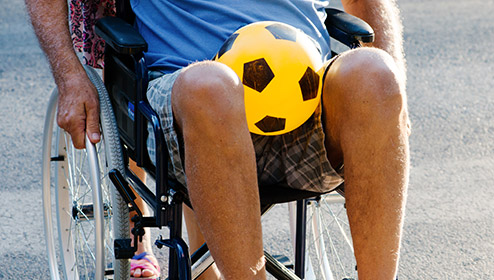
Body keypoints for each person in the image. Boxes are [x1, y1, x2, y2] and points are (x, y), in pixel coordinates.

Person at [26, 0, 411, 278]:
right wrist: (70, 76)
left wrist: (392, 98)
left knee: (375, 71)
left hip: (309, 101)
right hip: (186, 97)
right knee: (210, 84)